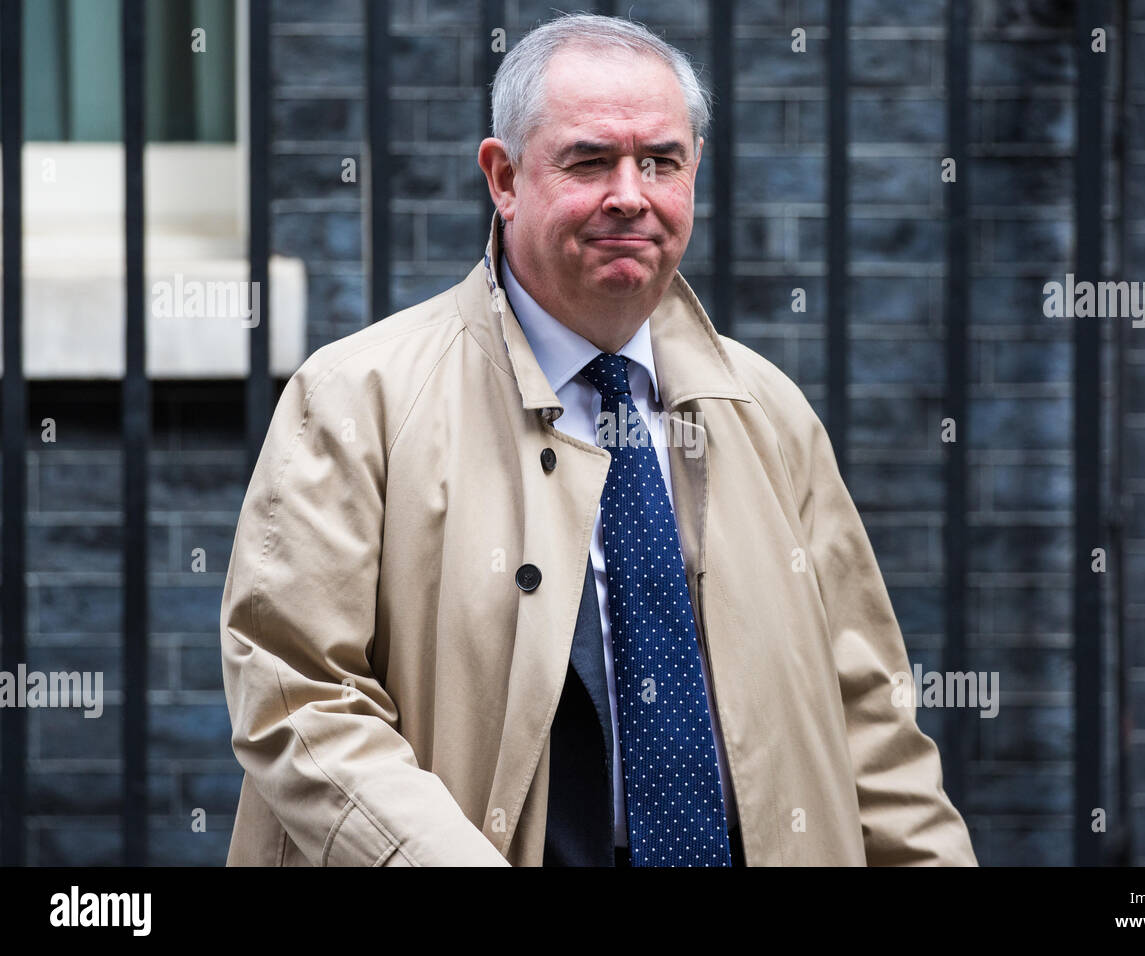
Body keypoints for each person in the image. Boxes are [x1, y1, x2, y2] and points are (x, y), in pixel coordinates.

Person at [220, 12, 977, 867]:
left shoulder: (769, 411)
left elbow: (869, 722)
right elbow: (299, 694)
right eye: (589, 160)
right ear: (503, 179)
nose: (631, 193)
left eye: (662, 161)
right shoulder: (359, 397)